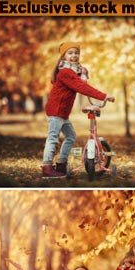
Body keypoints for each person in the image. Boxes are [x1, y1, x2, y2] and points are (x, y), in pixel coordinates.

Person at [42, 41, 113, 178]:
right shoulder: (65, 72)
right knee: (52, 138)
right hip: (56, 111)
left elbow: (80, 83)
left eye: (76, 53)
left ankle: (61, 164)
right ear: (63, 56)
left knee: (71, 136)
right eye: (70, 53)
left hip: (62, 112)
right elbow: (82, 87)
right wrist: (104, 96)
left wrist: (83, 74)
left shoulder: (73, 71)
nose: (74, 55)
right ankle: (47, 167)